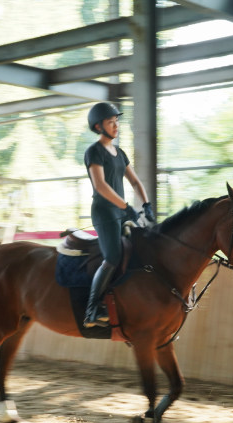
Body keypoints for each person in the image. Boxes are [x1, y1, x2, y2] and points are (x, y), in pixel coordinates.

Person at [83, 102, 155, 328]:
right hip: (105, 213)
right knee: (112, 257)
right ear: (98, 126)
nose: (116, 126)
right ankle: (92, 309)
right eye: (110, 122)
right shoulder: (94, 152)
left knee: (143, 245)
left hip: (123, 211)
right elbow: (101, 186)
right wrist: (126, 207)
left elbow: (134, 181)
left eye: (117, 121)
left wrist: (146, 203)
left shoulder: (120, 153)